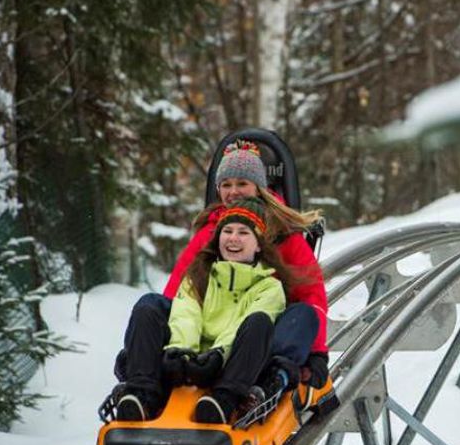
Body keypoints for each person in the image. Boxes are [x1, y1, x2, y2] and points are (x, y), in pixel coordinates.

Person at [108, 140, 329, 420]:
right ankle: (142, 388)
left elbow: (311, 294)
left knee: (299, 315)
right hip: (204, 330)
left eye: (242, 184)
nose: (233, 191)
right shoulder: (211, 232)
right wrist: (178, 348)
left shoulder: (283, 235)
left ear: (259, 187)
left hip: (252, 336)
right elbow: (180, 295)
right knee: (150, 305)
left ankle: (268, 380)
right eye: (226, 185)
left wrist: (316, 353)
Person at [111, 198, 300, 424]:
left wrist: (218, 356)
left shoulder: (269, 287)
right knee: (147, 306)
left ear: (259, 245)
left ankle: (224, 401)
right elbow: (186, 314)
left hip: (229, 364)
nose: (233, 238)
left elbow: (241, 327)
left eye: (243, 233)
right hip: (190, 361)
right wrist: (181, 351)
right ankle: (143, 395)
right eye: (227, 231)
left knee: (259, 322)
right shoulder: (198, 275)